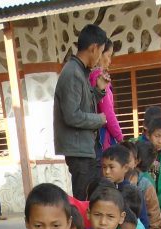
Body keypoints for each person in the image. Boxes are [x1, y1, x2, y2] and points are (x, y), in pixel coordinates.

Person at [53, 25, 109, 200]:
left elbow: (83, 103)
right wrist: (99, 119)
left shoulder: (79, 72)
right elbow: (72, 115)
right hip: (79, 152)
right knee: (84, 202)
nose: (100, 58)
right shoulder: (72, 73)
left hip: (85, 149)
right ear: (93, 48)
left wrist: (98, 90)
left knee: (92, 199)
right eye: (100, 52)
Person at [101, 145, 150, 229]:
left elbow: (143, 221)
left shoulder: (134, 193)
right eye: (104, 167)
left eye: (111, 167)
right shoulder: (101, 191)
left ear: (125, 168)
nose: (107, 172)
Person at [89, 39, 123, 154]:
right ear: (99, 53)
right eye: (108, 56)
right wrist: (120, 138)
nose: (109, 61)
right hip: (102, 138)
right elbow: (108, 113)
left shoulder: (91, 76)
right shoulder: (98, 77)